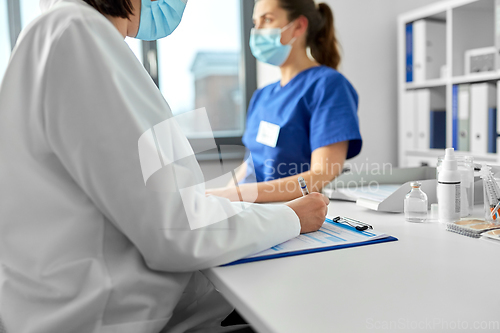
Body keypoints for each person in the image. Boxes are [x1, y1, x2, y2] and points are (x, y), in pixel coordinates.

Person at [0, 0, 330, 332]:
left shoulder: (76, 35)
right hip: (104, 318)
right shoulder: (78, 33)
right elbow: (175, 229)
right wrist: (290, 217)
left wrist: (219, 200)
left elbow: (156, 202)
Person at [206, 0, 362, 203]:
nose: (257, 30)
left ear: (298, 26)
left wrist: (236, 195)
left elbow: (322, 174)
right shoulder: (262, 96)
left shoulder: (328, 86)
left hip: (295, 215)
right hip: (255, 211)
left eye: (267, 19)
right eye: (255, 22)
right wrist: (218, 200)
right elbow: (251, 164)